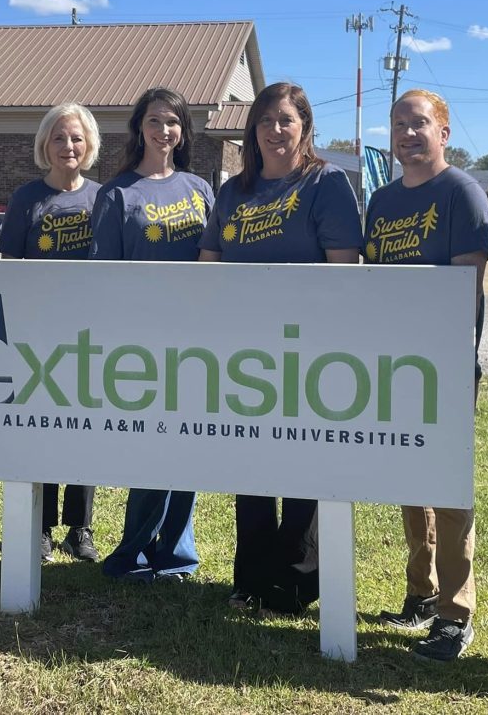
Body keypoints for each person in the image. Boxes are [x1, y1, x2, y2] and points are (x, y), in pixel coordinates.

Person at [199, 81, 361, 614]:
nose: (274, 129)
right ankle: (250, 578)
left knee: (302, 460)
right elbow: (209, 269)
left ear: (305, 127)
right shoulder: (233, 191)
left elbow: (344, 274)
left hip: (307, 351)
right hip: (243, 354)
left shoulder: (326, 183)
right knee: (250, 462)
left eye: (285, 120)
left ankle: (294, 581)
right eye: (265, 120)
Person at [363, 89, 488, 661]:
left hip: (442, 363)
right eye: (398, 124)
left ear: (443, 132)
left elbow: (464, 288)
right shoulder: (382, 201)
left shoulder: (461, 193)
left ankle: (455, 614)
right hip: (394, 363)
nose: (407, 133)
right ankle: (421, 594)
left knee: (447, 485)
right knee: (409, 478)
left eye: (419, 124)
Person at [90, 86, 214, 583]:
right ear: (139, 128)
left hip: (197, 338)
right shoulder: (117, 194)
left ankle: (178, 556)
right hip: (142, 340)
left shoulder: (200, 189)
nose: (165, 131)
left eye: (173, 122)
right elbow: (104, 274)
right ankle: (134, 551)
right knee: (150, 446)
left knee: (188, 446)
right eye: (155, 121)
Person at [0, 102, 103, 564]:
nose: (68, 146)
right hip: (37, 334)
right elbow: (11, 269)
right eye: (59, 137)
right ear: (45, 145)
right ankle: (39, 527)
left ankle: (80, 527)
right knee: (42, 426)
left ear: (90, 144)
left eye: (76, 138)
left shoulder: (104, 197)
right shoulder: (27, 198)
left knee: (84, 428)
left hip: (90, 331)